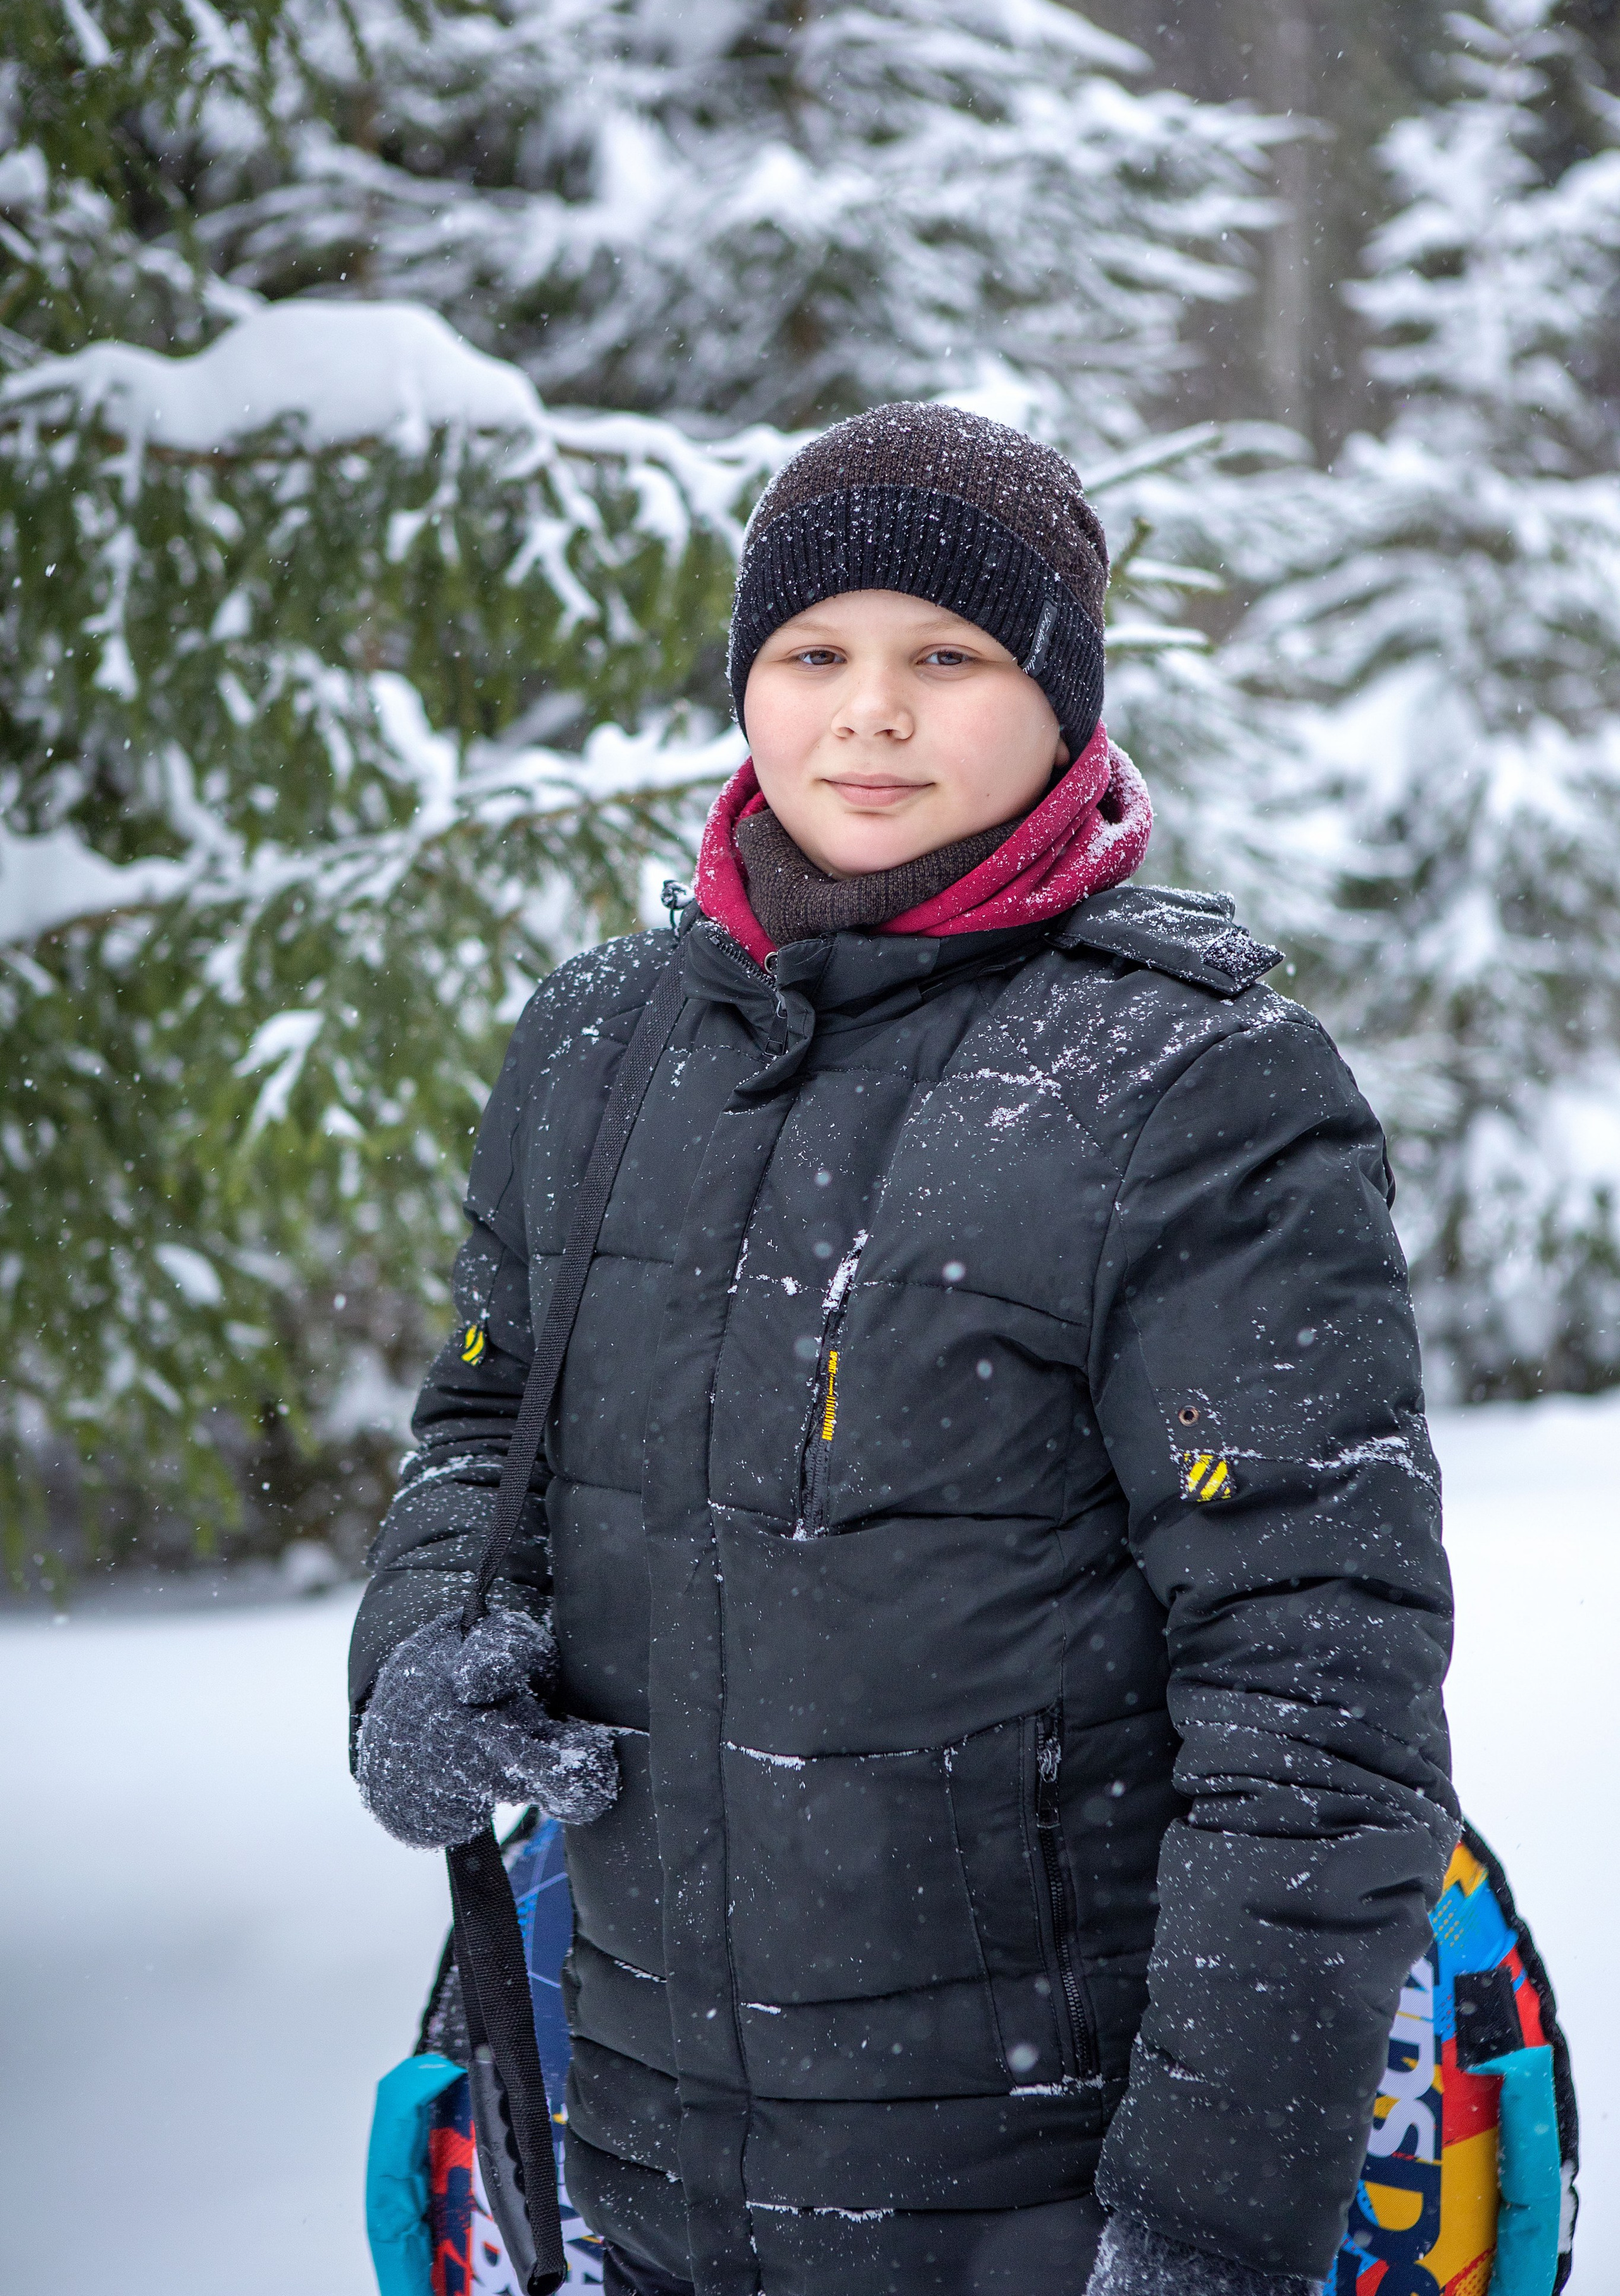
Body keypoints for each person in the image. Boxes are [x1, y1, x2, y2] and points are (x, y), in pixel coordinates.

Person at [349, 404, 1459, 2296]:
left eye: (947, 656)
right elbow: (483, 1417)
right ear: (748, 685)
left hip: (1037, 2195)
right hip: (646, 2170)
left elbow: (1317, 1696)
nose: (868, 714)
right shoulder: (599, 1048)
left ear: (1061, 703)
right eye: (813, 654)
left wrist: (1207, 2227)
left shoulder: (1196, 1086)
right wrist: (428, 1636)